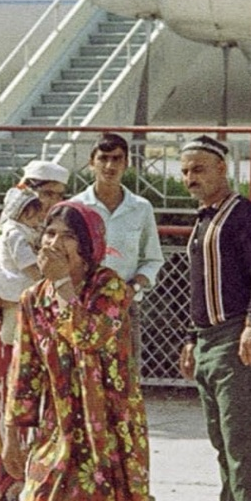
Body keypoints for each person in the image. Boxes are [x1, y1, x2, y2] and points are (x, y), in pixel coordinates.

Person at [2, 201, 168, 501]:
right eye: (49, 233)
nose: (53, 243)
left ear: (89, 245)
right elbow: (26, 366)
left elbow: (90, 336)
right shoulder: (34, 299)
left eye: (65, 236)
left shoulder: (110, 289)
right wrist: (14, 430)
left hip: (111, 433)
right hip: (57, 431)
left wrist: (60, 286)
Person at [177, 135, 251, 501]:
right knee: (222, 441)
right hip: (207, 339)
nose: (190, 179)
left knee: (240, 440)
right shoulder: (204, 219)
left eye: (199, 169)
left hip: (237, 336)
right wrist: (189, 337)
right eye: (185, 171)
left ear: (222, 169)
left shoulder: (245, 217)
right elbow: (200, 286)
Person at [0, 159, 70, 501]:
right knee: (10, 417)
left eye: (56, 196)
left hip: (56, 340)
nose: (49, 204)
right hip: (9, 340)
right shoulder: (2, 237)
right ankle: (6, 498)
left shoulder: (63, 234)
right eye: (44, 195)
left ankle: (46, 499)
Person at [70, 133, 164, 363]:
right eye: (103, 158)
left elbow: (152, 259)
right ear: (92, 163)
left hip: (124, 307)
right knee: (83, 374)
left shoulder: (141, 208)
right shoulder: (75, 208)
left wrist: (133, 287)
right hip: (82, 304)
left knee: (125, 377)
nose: (110, 166)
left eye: (117, 159)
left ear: (126, 164)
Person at [0, 186, 44, 345]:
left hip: (21, 274)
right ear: (22, 214)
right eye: (34, 217)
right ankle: (11, 338)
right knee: (14, 311)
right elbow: (26, 263)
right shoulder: (15, 233)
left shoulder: (25, 229)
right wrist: (42, 280)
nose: (38, 221)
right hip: (15, 277)